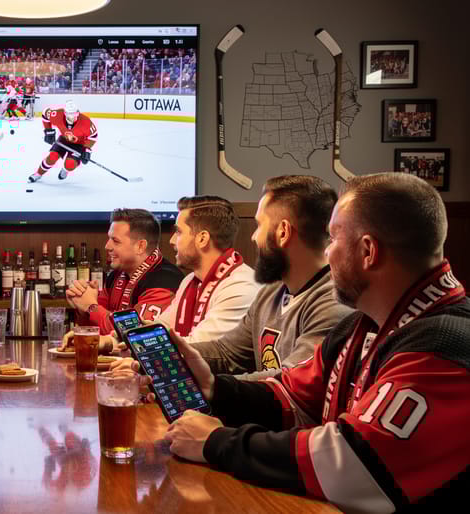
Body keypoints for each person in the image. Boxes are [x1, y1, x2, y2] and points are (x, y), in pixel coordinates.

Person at [150, 172, 470, 511]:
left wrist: (215, 442)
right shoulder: (361, 326)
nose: (327, 253)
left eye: (332, 239)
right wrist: (215, 387)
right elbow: (294, 395)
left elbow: (354, 463)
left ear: (368, 251)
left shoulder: (444, 345)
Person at [116, 176, 352, 380]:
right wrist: (158, 357)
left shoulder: (332, 305)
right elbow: (227, 352)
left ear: (283, 232)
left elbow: (289, 383)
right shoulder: (271, 292)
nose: (253, 237)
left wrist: (211, 387)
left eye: (259, 226)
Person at [66, 208, 185, 349]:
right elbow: (96, 332)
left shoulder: (165, 280)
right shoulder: (115, 274)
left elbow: (135, 335)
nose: (107, 246)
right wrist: (82, 304)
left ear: (140, 246)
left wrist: (91, 306)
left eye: (115, 241)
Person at [155, 195, 259, 343]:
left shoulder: (240, 287)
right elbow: (162, 327)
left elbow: (198, 348)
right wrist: (124, 338)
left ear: (202, 239)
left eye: (178, 232)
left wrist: (144, 344)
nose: (172, 241)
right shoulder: (190, 281)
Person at [28, 100, 97, 183]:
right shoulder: (57, 114)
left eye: (74, 116)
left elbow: (93, 136)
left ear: (78, 113)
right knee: (52, 157)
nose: (71, 118)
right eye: (69, 116)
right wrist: (48, 130)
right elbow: (45, 113)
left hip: (79, 144)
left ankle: (65, 170)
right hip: (64, 139)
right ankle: (38, 174)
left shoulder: (85, 122)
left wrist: (87, 150)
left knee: (70, 164)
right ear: (64, 113)